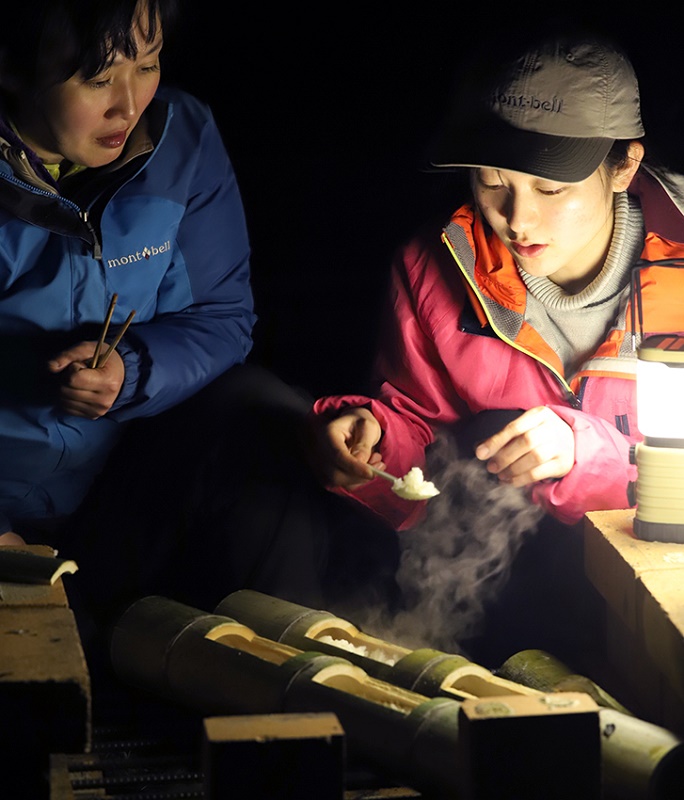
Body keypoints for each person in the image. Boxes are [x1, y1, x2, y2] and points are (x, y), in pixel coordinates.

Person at [305, 32, 684, 664]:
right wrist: (373, 438)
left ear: (623, 166)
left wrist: (581, 451)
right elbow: (425, 439)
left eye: (551, 189)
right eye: (492, 182)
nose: (518, 219)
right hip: (504, 594)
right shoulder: (433, 268)